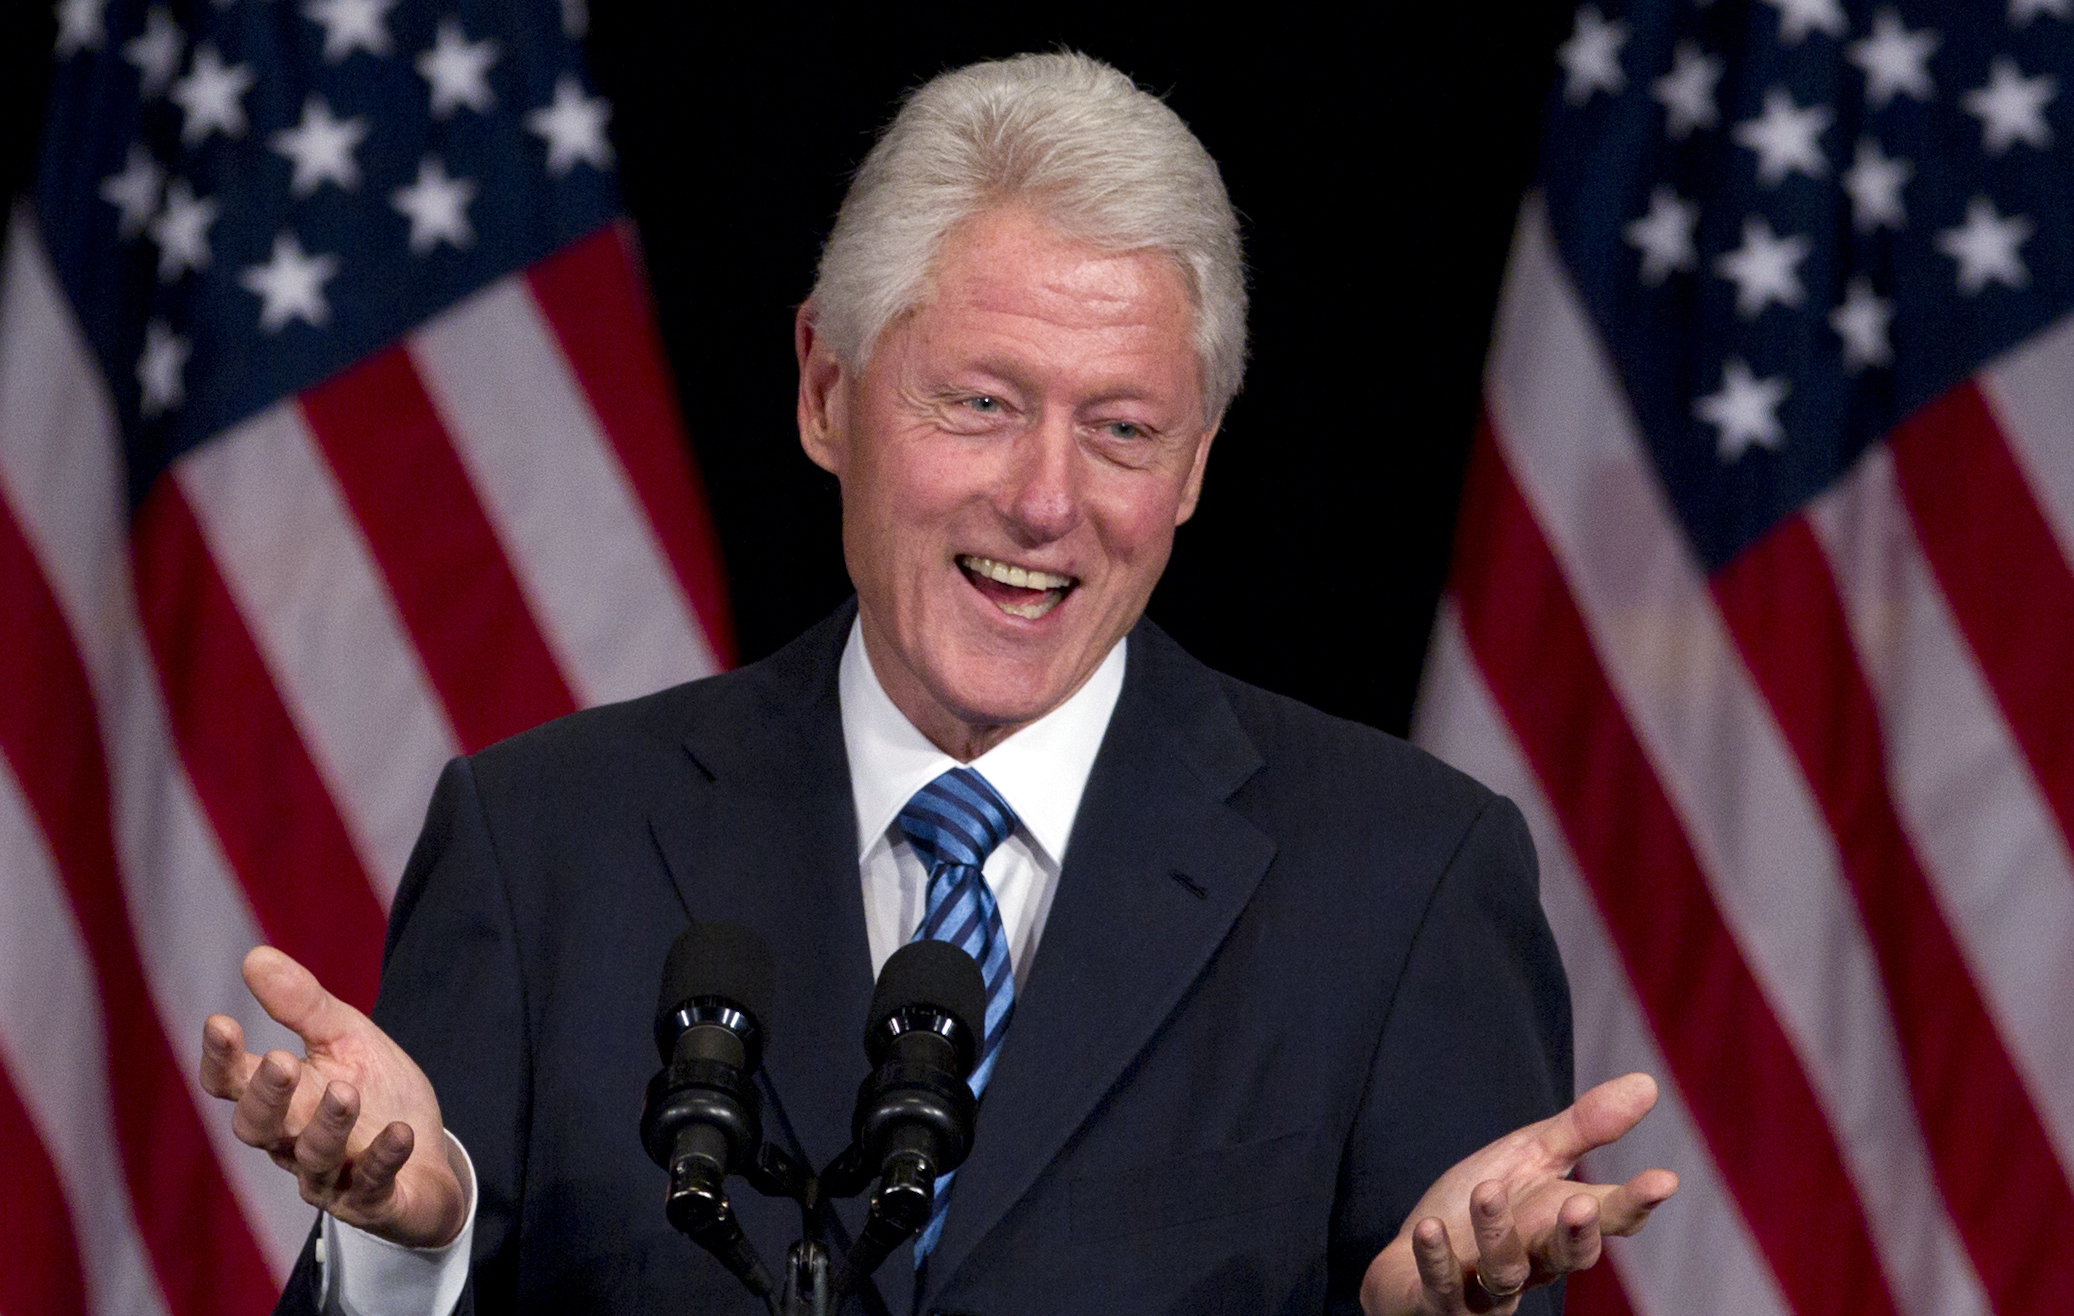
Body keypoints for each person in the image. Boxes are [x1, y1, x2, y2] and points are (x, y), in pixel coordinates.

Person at [199, 52, 1676, 1315]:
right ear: (825, 391)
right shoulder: (541, 847)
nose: (1044, 502)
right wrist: (408, 1250)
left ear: (1195, 467)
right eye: (980, 403)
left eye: (1122, 430)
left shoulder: (1406, 879)